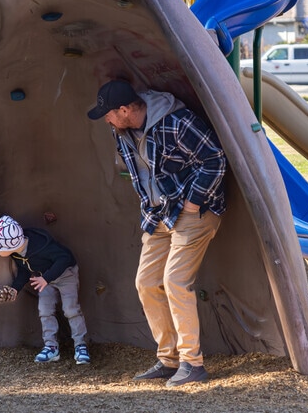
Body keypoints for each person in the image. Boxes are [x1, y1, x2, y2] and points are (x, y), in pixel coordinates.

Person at [87, 80, 227, 387]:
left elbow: (215, 160)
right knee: (146, 283)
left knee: (175, 282)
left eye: (109, 114)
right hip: (159, 214)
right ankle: (169, 359)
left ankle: (193, 363)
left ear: (124, 110)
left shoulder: (176, 122)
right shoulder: (121, 130)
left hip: (194, 213)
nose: (106, 120)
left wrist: (193, 202)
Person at [0, 215, 90, 365]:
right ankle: (51, 346)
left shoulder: (42, 246)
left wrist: (46, 278)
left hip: (65, 275)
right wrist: (15, 289)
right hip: (44, 279)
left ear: (9, 245)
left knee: (70, 309)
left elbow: (65, 258)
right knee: (45, 310)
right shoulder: (17, 253)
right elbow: (24, 270)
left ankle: (81, 345)